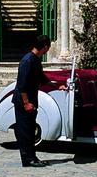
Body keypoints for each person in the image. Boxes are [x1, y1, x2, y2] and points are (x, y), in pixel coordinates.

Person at [12, 34, 63, 167]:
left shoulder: (36, 59)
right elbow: (22, 84)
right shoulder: (27, 61)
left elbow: (41, 78)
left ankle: (32, 156)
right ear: (45, 47)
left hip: (31, 100)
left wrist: (57, 86)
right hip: (24, 102)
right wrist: (26, 103)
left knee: (30, 130)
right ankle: (28, 159)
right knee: (25, 131)